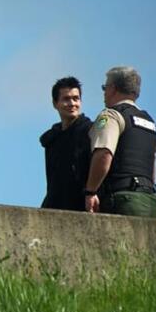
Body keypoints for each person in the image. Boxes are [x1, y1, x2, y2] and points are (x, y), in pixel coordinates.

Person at [84, 65, 156, 217]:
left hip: (123, 201)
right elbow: (152, 165)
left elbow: (104, 154)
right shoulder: (150, 122)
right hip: (150, 202)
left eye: (104, 87)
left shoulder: (112, 115)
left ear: (112, 88)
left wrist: (90, 191)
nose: (104, 92)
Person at [39, 76, 92, 211]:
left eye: (76, 98)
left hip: (82, 205)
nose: (72, 103)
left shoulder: (90, 131)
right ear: (55, 103)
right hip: (56, 206)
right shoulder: (52, 139)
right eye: (66, 99)